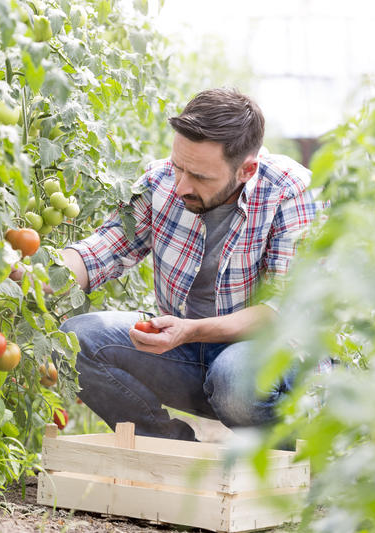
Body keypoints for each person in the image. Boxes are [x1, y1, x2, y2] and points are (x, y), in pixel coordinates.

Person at [53, 88, 324, 441]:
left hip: (267, 359)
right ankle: (169, 452)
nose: (181, 185)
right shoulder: (160, 181)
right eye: (178, 166)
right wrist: (41, 273)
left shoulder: (289, 191)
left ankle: (286, 462)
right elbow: (100, 251)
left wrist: (191, 329)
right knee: (79, 340)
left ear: (246, 170)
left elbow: (279, 313)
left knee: (235, 380)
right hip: (186, 351)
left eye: (200, 177)